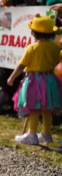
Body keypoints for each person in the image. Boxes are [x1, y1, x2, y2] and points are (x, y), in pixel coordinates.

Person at [7, 15, 62, 145]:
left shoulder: (32, 48)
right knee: (47, 108)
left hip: (34, 81)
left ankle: (32, 134)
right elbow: (57, 62)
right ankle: (47, 134)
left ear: (34, 33)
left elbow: (22, 65)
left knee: (33, 107)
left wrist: (12, 77)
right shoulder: (55, 47)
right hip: (50, 80)